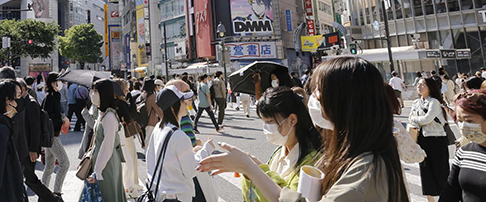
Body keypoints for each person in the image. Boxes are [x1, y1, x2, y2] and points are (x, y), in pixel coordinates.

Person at [197, 56, 409, 202]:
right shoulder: (352, 155)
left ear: (343, 102)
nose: (313, 99)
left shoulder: (367, 166)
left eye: (318, 91)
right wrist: (255, 166)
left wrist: (252, 169)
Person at [239, 87, 322, 202]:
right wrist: (249, 174)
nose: (266, 128)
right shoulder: (279, 152)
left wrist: (257, 171)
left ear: (292, 120)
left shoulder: (312, 162)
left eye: (270, 122)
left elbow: (291, 198)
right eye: (264, 122)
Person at [144, 85, 212, 202]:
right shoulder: (179, 136)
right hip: (176, 196)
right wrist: (205, 150)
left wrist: (191, 153)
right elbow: (191, 171)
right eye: (182, 101)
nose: (186, 104)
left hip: (160, 193)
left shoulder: (159, 128)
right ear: (172, 107)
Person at [439, 90, 486, 201]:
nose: (463, 126)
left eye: (468, 120)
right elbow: (450, 193)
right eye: (459, 120)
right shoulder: (464, 152)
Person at [409, 77, 450, 201]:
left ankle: (446, 197)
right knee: (425, 169)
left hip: (437, 139)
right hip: (423, 139)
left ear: (430, 88)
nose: (419, 87)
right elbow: (411, 117)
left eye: (423, 85)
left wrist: (415, 119)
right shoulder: (416, 102)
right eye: (419, 84)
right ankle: (430, 199)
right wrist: (415, 120)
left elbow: (427, 119)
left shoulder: (434, 102)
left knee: (441, 170)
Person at [86, 79, 124, 202]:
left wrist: (97, 171)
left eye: (96, 91)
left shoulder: (109, 117)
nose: (92, 93)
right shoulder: (102, 113)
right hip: (102, 162)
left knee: (108, 195)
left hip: (106, 163)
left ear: (104, 93)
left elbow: (108, 145)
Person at [41, 72, 69, 197]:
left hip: (50, 134)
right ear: (53, 83)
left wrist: (62, 117)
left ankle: (43, 193)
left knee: (49, 166)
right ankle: (56, 192)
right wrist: (62, 119)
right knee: (64, 163)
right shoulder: (51, 96)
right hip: (52, 135)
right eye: (59, 81)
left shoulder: (53, 95)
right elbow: (48, 116)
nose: (61, 83)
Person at [141, 78, 163, 148]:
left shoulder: (143, 94)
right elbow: (157, 109)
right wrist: (164, 117)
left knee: (147, 140)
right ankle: (149, 157)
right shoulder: (152, 96)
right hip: (151, 121)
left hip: (143, 120)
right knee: (151, 142)